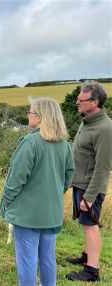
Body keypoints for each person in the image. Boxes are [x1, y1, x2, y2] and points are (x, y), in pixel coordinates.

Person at [0, 98, 75, 286]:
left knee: (27, 260)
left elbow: (15, 180)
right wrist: (54, 193)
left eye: (31, 112)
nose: (28, 115)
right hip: (51, 213)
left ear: (41, 117)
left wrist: (5, 203)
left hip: (28, 214)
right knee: (47, 258)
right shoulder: (64, 145)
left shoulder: (30, 143)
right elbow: (68, 177)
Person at [66, 81, 112, 282]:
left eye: (81, 100)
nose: (77, 102)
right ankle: (87, 256)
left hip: (90, 188)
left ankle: (92, 271)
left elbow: (103, 166)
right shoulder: (87, 121)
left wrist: (90, 197)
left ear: (94, 102)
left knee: (90, 225)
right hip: (81, 183)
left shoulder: (105, 129)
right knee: (85, 224)